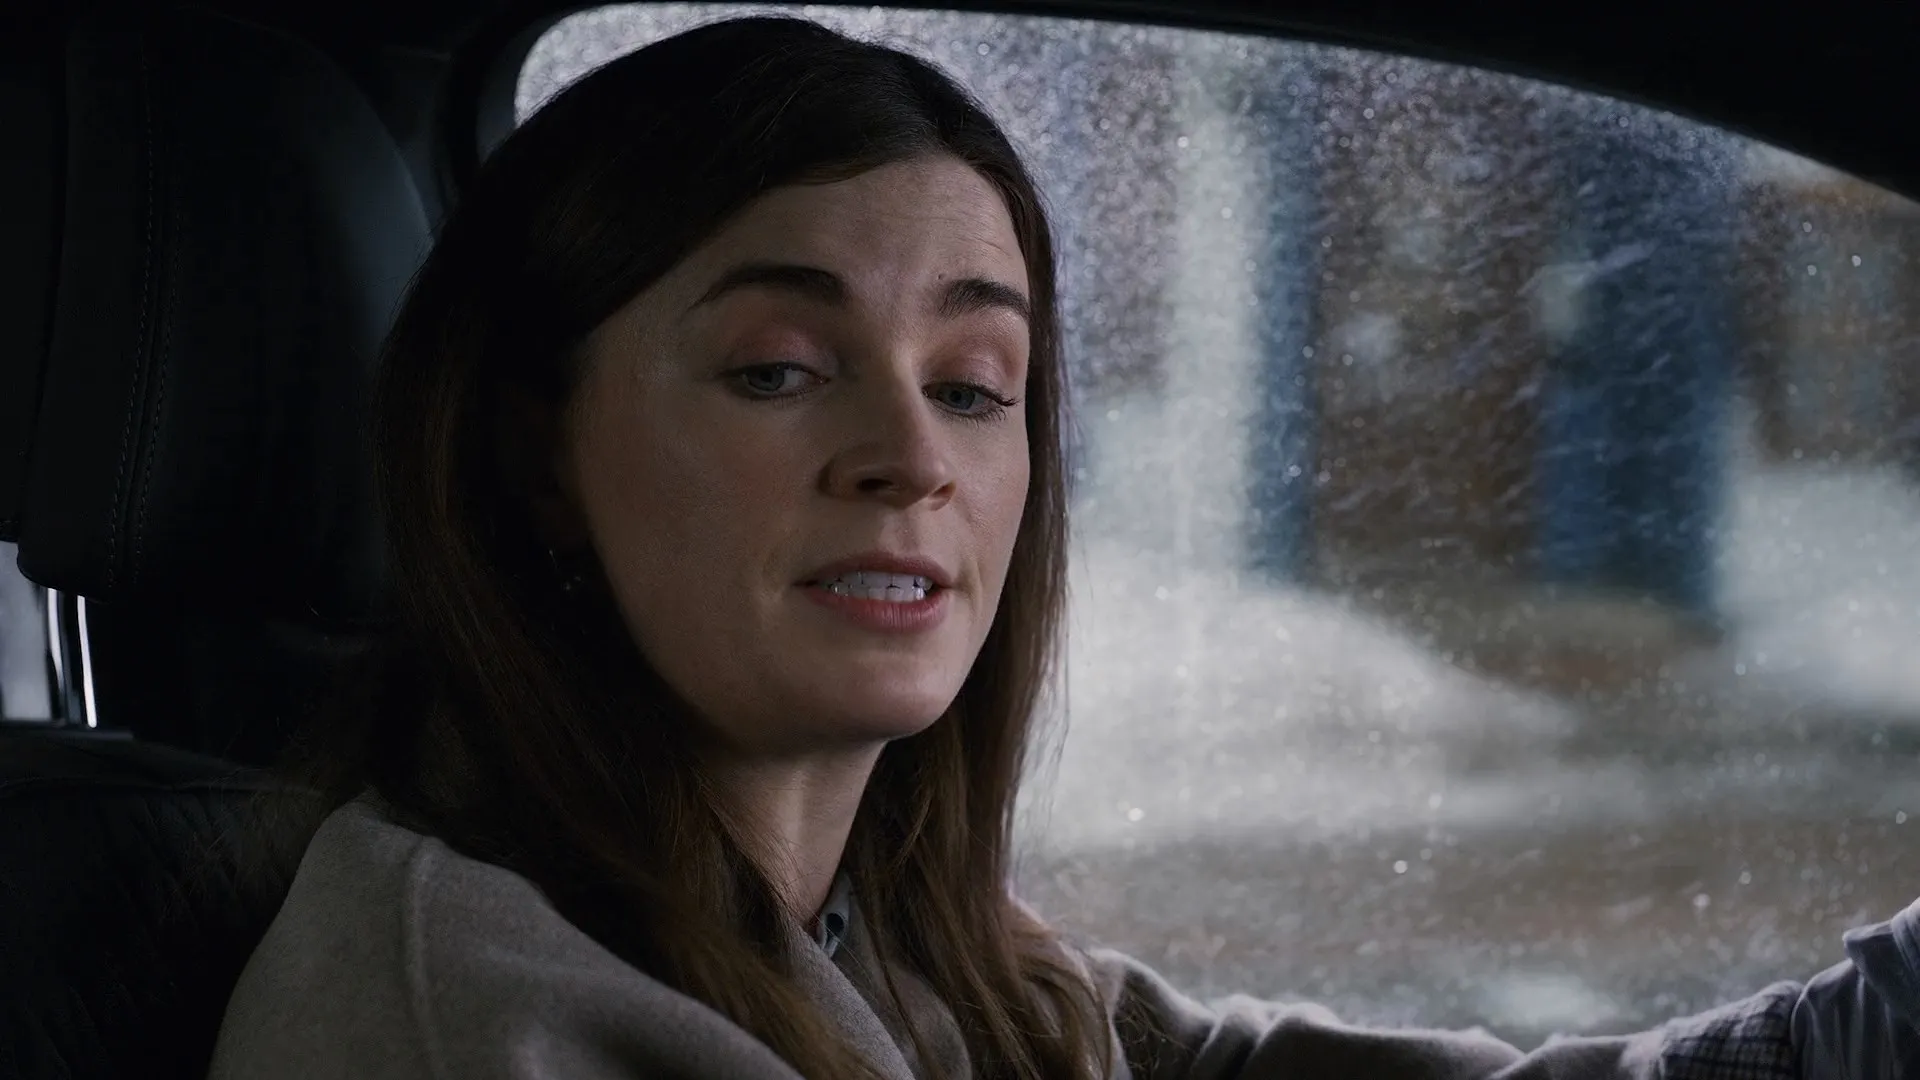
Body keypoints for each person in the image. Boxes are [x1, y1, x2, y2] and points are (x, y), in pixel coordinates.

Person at [206, 14, 1920, 1080]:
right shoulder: (475, 1011)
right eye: (780, 369)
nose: (909, 459)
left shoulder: (918, 958)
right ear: (537, 458)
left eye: (974, 385)